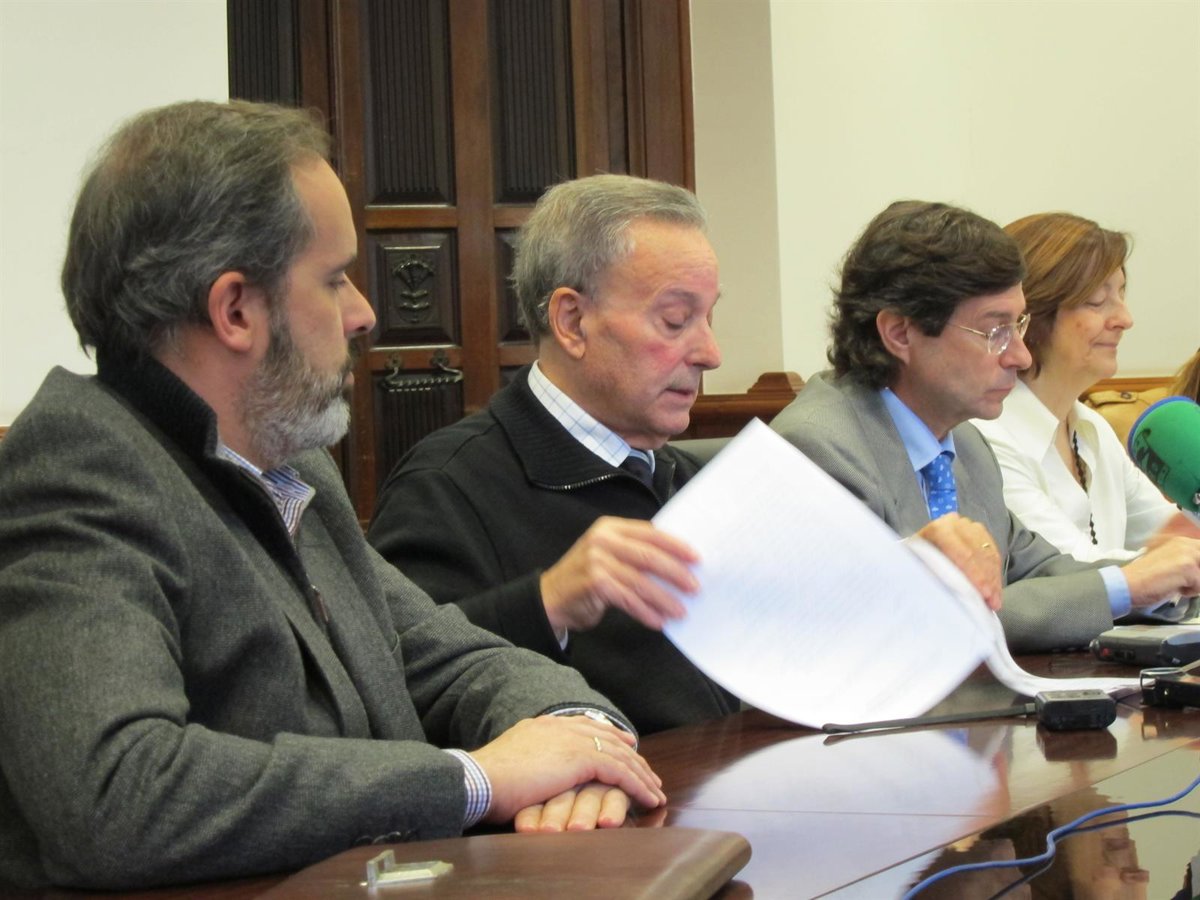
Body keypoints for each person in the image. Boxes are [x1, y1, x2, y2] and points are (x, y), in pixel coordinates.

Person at [0, 101, 667, 892]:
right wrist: (476, 780)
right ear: (236, 309)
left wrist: (578, 736)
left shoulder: (291, 465)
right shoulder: (79, 467)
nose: (363, 314)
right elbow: (116, 793)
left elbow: (449, 656)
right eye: (333, 279)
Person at [368, 177, 1003, 734]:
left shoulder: (704, 481)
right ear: (572, 322)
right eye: (675, 321)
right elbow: (393, 691)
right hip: (607, 823)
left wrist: (907, 574)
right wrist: (550, 601)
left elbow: (807, 646)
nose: (710, 354)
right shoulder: (448, 485)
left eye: (708, 319)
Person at [770, 200, 1200, 653]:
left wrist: (1167, 577)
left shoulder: (965, 443)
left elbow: (1043, 571)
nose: (1020, 355)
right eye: (995, 332)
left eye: (1019, 326)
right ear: (899, 333)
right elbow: (932, 617)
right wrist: (1128, 585)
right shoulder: (818, 447)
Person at [972, 212, 1197, 562]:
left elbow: (1173, 535)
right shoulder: (985, 440)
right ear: (1031, 314)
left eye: (1121, 294)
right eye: (1097, 301)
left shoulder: (1092, 429)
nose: (1125, 319)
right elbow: (1072, 572)